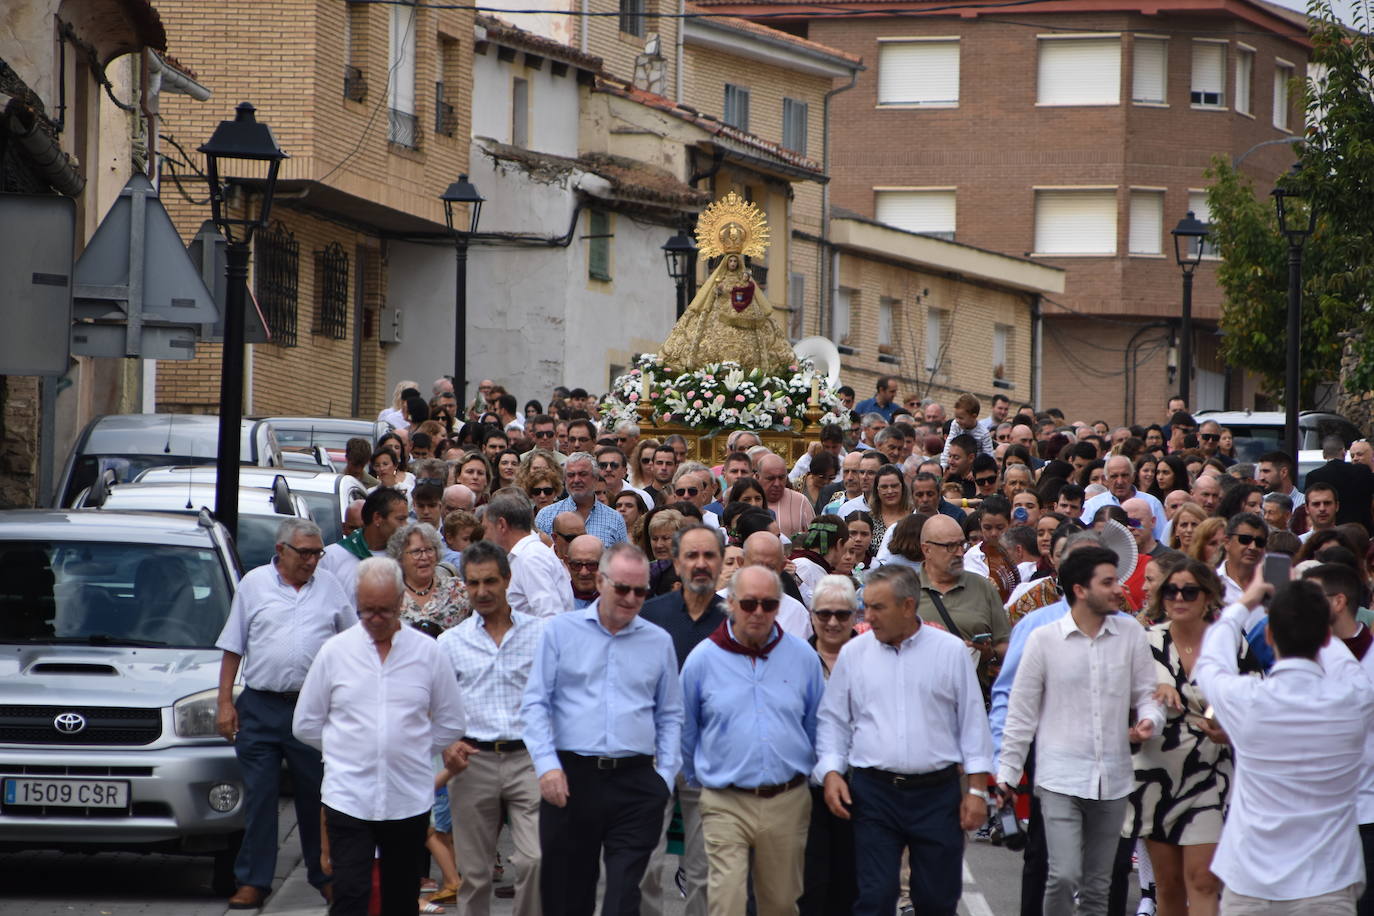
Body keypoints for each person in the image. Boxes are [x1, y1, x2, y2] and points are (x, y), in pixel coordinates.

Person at [292, 557, 469, 916]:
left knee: (401, 898)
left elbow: (451, 721)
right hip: (349, 796)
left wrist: (413, 749)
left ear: (400, 601)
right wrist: (345, 750)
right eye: (366, 610)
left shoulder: (427, 652)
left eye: (384, 611)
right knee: (351, 894)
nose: (374, 619)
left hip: (407, 798)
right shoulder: (335, 652)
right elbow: (306, 723)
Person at [814, 565, 994, 916]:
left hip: (937, 795)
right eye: (866, 607)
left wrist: (976, 791)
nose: (868, 617)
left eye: (878, 608)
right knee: (875, 897)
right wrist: (832, 772)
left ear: (908, 606)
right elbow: (833, 720)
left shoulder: (950, 652)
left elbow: (972, 722)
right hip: (874, 794)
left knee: (936, 899)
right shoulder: (855, 654)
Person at [996, 546, 1164, 916]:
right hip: (1059, 778)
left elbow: (1148, 695)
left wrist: (1151, 719)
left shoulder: (1131, 635)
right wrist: (1006, 775)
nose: (1119, 589)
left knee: (1098, 885)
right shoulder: (1044, 639)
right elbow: (1020, 713)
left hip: (1115, 779)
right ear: (1080, 589)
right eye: (1108, 582)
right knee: (1065, 874)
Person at [1195, 573, 1374, 913]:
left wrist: (1247, 600)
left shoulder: (1247, 700)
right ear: (1324, 637)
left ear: (1269, 634)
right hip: (1328, 882)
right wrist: (1310, 612)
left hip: (1250, 880)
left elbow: (1211, 661)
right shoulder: (1355, 697)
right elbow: (1348, 666)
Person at [521, 542, 683, 916]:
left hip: (637, 782)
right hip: (571, 778)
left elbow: (671, 715)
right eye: (621, 588)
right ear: (600, 580)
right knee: (567, 895)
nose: (630, 598)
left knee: (624, 897)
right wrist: (546, 766)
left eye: (640, 591)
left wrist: (665, 777)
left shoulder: (658, 641)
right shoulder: (560, 631)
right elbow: (535, 704)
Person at [213, 519, 354, 910]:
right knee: (260, 797)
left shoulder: (330, 587)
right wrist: (225, 702)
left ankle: (324, 875)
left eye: (317, 552)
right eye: (305, 553)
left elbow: (351, 643)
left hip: (311, 708)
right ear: (281, 551)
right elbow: (232, 647)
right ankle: (254, 880)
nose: (312, 561)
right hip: (260, 705)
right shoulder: (255, 584)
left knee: (318, 796)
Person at [680, 564, 825, 916]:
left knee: (779, 904)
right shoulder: (703, 659)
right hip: (724, 800)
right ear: (730, 603)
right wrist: (701, 781)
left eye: (768, 604)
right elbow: (687, 730)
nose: (758, 612)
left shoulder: (803, 656)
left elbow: (814, 724)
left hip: (787, 799)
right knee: (726, 902)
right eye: (748, 604)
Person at [437, 540, 547, 916]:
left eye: (490, 582)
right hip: (473, 761)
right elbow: (434, 706)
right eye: (473, 583)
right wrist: (447, 745)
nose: (481, 592)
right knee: (475, 873)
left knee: (535, 860)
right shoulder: (450, 643)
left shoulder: (541, 634)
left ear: (507, 580)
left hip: (529, 758)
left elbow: (557, 696)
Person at [1122, 558, 1230, 916]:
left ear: (1208, 596)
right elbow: (1126, 698)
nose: (1179, 597)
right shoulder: (1144, 640)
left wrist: (1222, 724)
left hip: (1210, 771)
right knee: (1167, 884)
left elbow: (1250, 696)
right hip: (1156, 773)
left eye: (1189, 591)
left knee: (1202, 880)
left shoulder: (1227, 641)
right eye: (1171, 590)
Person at [639, 524, 728, 916]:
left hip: (709, 757)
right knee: (644, 863)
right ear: (675, 563)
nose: (701, 564)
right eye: (691, 556)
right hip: (652, 754)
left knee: (705, 868)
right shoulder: (649, 615)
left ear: (722, 562)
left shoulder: (736, 619)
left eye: (709, 555)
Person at [800, 575, 861, 916]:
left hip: (860, 787)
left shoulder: (872, 656)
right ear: (812, 615)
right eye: (824, 614)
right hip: (806, 789)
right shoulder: (793, 657)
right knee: (811, 885)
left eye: (842, 614)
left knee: (852, 885)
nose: (833, 622)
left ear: (856, 615)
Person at [918, 514, 1009, 688]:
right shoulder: (907, 589)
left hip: (972, 696)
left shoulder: (982, 586)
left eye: (962, 544)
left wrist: (989, 653)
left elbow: (1005, 645)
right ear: (926, 549)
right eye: (951, 546)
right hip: (921, 697)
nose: (960, 552)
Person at [486, 490, 573, 617]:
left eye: (487, 528)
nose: (486, 536)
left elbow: (550, 617)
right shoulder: (525, 556)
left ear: (501, 525)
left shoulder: (531, 558)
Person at [388, 522, 470, 631]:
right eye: (416, 551)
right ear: (400, 557)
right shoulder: (390, 595)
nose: (424, 557)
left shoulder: (458, 589)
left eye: (429, 550)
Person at [321, 487, 409, 586]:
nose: (405, 525)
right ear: (377, 518)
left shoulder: (406, 557)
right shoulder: (331, 557)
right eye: (400, 519)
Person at [534, 453, 628, 546]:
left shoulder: (615, 519)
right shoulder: (546, 516)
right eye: (571, 475)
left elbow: (622, 558)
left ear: (595, 478)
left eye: (583, 474)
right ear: (565, 480)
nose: (576, 480)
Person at [757, 453, 815, 540]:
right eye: (770, 478)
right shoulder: (747, 501)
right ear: (758, 477)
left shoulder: (801, 501)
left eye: (781, 478)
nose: (777, 484)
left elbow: (814, 539)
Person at [1216, 512, 1267, 605]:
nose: (1253, 547)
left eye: (1260, 542)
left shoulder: (1270, 586)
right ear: (1227, 542)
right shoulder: (1211, 582)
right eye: (1245, 539)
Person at [566, 534, 603, 609]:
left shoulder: (617, 601)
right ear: (567, 563)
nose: (584, 572)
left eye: (591, 565)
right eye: (577, 565)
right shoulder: (557, 600)